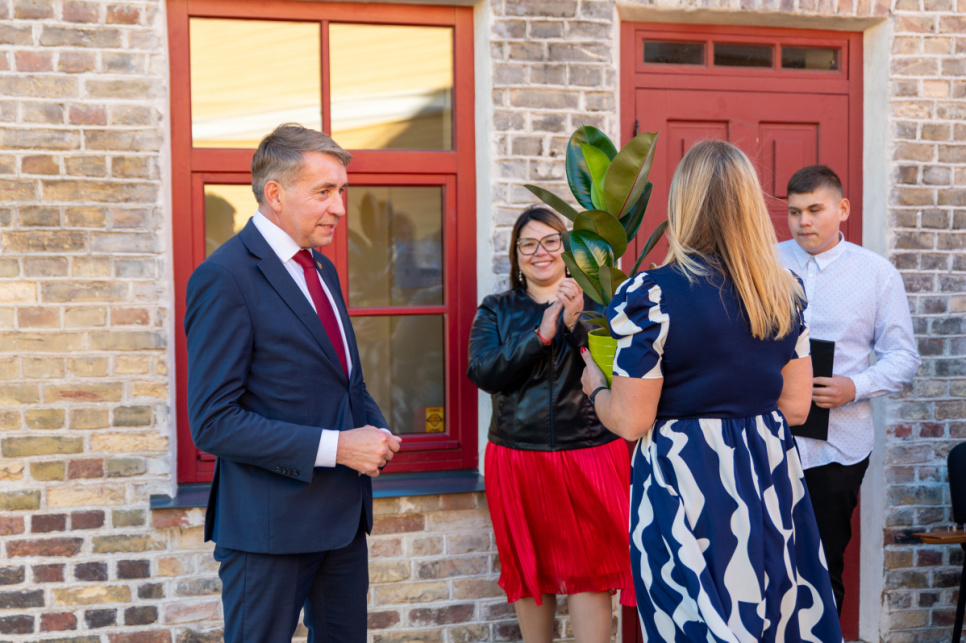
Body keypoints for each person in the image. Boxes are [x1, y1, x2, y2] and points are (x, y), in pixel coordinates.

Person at [581, 140, 843, 642]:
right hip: (767, 472)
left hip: (687, 475)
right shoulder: (783, 290)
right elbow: (795, 407)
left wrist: (595, 388)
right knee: (774, 612)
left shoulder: (652, 294)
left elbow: (631, 420)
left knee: (695, 619)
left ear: (683, 203)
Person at [184, 123, 402, 642]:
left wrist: (375, 430)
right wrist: (340, 447)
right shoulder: (224, 277)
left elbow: (344, 380)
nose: (339, 208)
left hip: (342, 522)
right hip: (268, 531)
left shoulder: (322, 270)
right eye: (324, 192)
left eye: (341, 191)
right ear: (275, 194)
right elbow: (213, 423)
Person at [467, 206, 635, 643]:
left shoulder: (601, 307)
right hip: (518, 457)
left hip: (591, 452)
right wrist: (539, 336)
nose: (539, 252)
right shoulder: (496, 310)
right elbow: (483, 372)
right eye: (528, 244)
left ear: (569, 249)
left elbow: (617, 372)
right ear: (516, 254)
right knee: (530, 568)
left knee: (591, 569)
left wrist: (575, 323)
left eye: (550, 241)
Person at [778, 164, 920, 614]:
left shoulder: (877, 274)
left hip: (837, 448)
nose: (803, 221)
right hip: (766, 441)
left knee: (822, 567)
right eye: (794, 211)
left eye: (814, 210)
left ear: (842, 209)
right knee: (764, 565)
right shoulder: (764, 262)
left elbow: (904, 358)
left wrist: (854, 386)